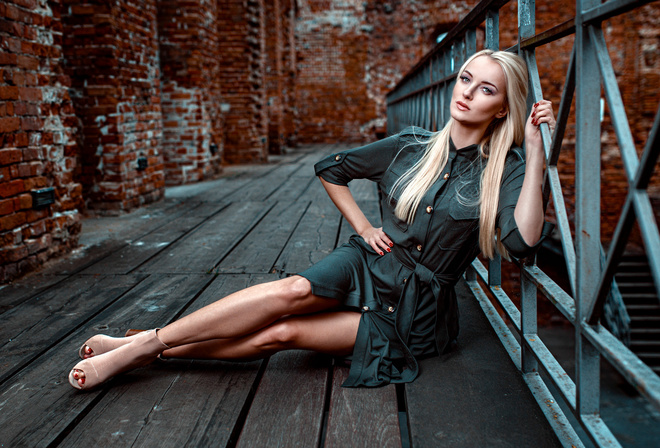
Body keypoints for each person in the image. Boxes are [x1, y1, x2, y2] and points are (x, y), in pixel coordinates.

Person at [68, 49, 555, 390]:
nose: (467, 93)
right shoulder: (411, 146)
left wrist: (534, 155)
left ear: (500, 109)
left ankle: (146, 350)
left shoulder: (505, 170)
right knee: (291, 292)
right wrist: (364, 227)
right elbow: (332, 169)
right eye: (465, 78)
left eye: (486, 88)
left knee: (283, 335)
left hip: (414, 312)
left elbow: (522, 242)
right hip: (370, 261)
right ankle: (141, 347)